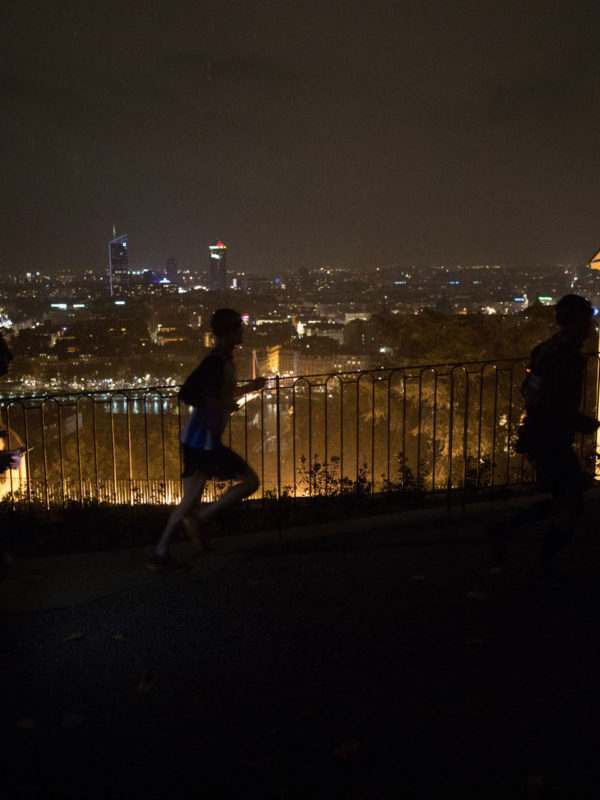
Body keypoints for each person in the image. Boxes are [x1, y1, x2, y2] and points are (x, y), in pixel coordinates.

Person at [489, 294, 598, 584]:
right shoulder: (570, 356)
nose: (591, 325)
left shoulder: (547, 349)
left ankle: (508, 531)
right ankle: (537, 559)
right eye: (588, 318)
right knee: (571, 500)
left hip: (538, 431)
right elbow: (556, 402)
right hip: (549, 434)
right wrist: (580, 421)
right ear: (577, 321)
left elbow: (532, 391)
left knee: (564, 497)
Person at [147, 309, 265, 572]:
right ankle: (199, 520)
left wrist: (249, 389)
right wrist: (221, 404)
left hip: (197, 437)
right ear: (224, 333)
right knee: (250, 481)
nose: (241, 331)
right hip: (203, 439)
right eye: (237, 327)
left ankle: (161, 551)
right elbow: (189, 392)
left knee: (188, 500)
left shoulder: (221, 361)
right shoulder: (216, 362)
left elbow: (215, 393)